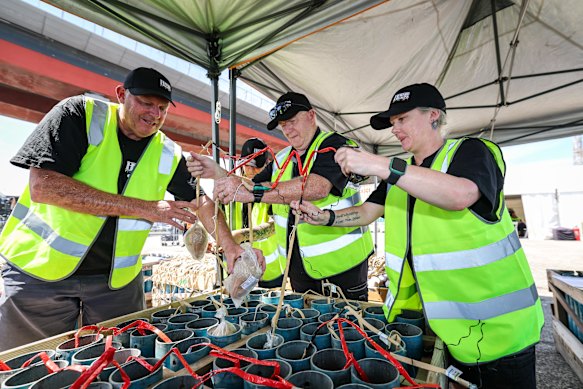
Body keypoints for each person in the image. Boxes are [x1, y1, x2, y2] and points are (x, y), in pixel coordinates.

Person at [291, 83, 544, 388]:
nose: (395, 130)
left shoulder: (471, 151)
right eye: (392, 123)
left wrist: (379, 164)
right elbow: (366, 212)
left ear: (434, 115)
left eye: (402, 119)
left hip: (499, 331)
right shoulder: (402, 171)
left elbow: (460, 194)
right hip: (448, 332)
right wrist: (325, 217)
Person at [0, 67, 264, 352]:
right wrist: (146, 208)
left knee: (123, 362)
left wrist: (229, 245)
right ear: (121, 95)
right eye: (146, 103)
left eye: (162, 107)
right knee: (34, 365)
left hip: (117, 285)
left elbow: (202, 201)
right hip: (39, 275)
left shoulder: (168, 152)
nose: (155, 113)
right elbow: (44, 186)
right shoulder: (79, 114)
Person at [190, 92, 374, 301]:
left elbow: (318, 187)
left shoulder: (335, 145)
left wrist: (253, 193)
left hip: (344, 267)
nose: (288, 129)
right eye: (283, 124)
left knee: (350, 329)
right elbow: (249, 185)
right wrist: (217, 172)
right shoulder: (282, 158)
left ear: (311, 116)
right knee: (306, 327)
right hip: (299, 270)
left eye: (292, 121)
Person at [228, 138, 284, 288]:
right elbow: (219, 218)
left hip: (269, 271)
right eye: (248, 166)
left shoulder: (276, 190)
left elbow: (274, 226)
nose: (252, 171)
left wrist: (242, 235)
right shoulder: (232, 189)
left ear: (267, 164)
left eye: (257, 167)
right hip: (239, 268)